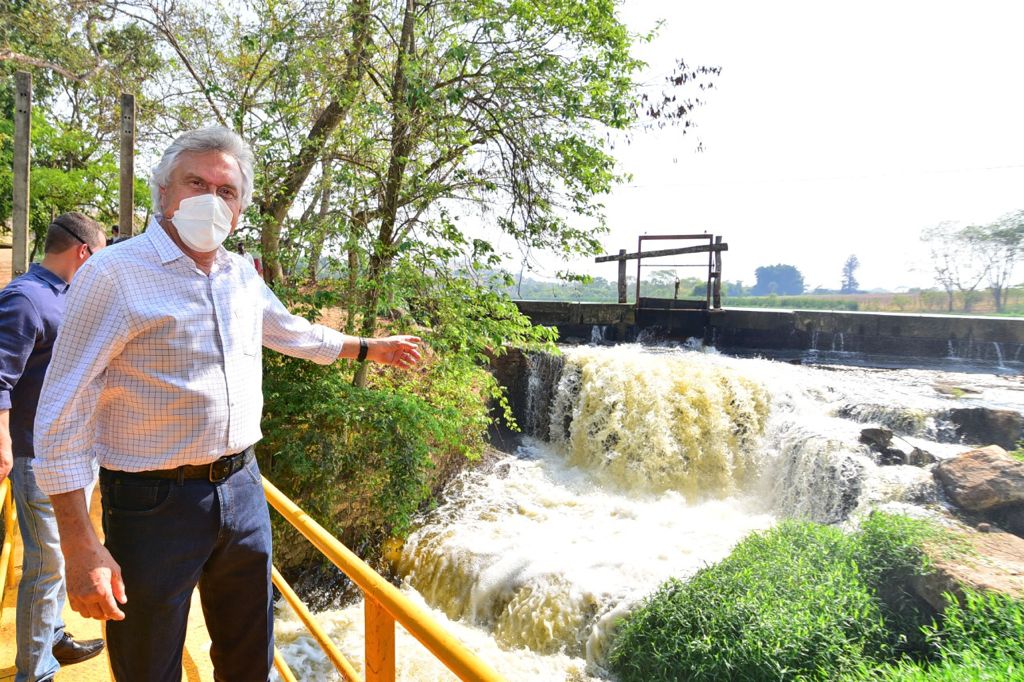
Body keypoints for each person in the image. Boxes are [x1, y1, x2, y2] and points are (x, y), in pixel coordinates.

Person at [33, 126, 421, 682]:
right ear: (164, 193)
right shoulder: (113, 275)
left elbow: (288, 332)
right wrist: (80, 545)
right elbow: (60, 412)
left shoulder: (240, 274)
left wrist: (367, 348)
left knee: (249, 656)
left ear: (239, 209)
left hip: (243, 489)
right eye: (197, 182)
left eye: (228, 191)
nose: (213, 200)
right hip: (151, 504)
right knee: (148, 665)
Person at [0, 212, 107, 682]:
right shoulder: (25, 299)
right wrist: (3, 442)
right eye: (99, 256)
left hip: (71, 453)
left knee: (61, 557)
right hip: (36, 456)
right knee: (47, 566)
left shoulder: (65, 298)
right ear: (83, 251)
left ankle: (55, 638)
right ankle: (35, 672)